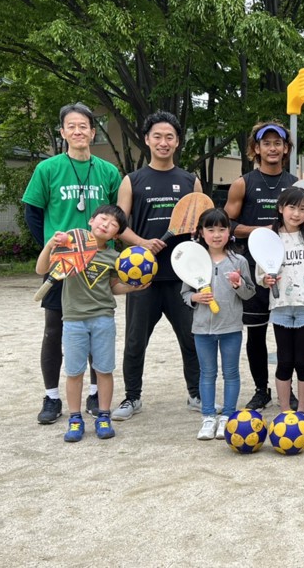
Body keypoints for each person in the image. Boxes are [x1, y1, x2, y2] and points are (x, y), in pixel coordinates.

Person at [23, 102, 121, 424]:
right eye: (71, 126)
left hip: (96, 263)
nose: (78, 131)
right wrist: (54, 250)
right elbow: (32, 213)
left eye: (84, 126)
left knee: (96, 327)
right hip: (62, 263)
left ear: (93, 132)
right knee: (55, 329)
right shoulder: (47, 169)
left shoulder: (107, 171)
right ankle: (52, 397)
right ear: (63, 132)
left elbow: (117, 217)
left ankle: (95, 394)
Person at [112, 111, 202, 420]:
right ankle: (131, 398)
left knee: (192, 339)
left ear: (178, 142)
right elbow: (118, 225)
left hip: (182, 278)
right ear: (148, 140)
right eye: (157, 136)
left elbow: (200, 223)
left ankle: (196, 393)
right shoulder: (132, 180)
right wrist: (142, 242)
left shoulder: (190, 180)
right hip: (142, 277)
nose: (163, 142)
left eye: (170, 137)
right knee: (135, 341)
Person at [35, 205, 145, 441]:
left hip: (103, 319)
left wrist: (135, 286)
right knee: (74, 372)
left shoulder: (115, 257)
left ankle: (103, 415)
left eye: (113, 224)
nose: (106, 224)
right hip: (74, 320)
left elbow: (114, 287)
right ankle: (75, 419)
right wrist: (50, 245)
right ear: (91, 221)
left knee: (104, 370)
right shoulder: (70, 246)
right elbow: (41, 269)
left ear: (116, 235)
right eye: (103, 219)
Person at [224, 121, 299, 411]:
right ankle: (261, 389)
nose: (272, 148)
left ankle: (287, 389)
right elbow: (228, 225)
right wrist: (262, 231)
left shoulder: (294, 184)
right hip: (253, 270)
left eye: (277, 143)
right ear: (256, 148)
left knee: (287, 335)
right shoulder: (243, 183)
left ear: (286, 149)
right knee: (256, 334)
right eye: (265, 143)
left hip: (287, 272)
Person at [257, 188, 304, 416]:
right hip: (281, 307)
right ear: (280, 208)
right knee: (284, 361)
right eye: (292, 207)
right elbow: (261, 274)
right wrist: (266, 279)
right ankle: (284, 411)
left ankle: (302, 411)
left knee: (302, 361)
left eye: (302, 209)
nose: (296, 213)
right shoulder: (270, 239)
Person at [182, 209, 255, 441]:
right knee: (207, 373)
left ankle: (229, 417)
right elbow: (185, 293)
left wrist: (238, 284)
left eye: (222, 229)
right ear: (201, 233)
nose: (216, 235)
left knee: (231, 373)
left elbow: (249, 293)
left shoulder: (239, 261)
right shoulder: (193, 262)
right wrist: (195, 298)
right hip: (202, 328)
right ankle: (208, 417)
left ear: (229, 232)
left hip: (231, 327)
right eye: (210, 229)